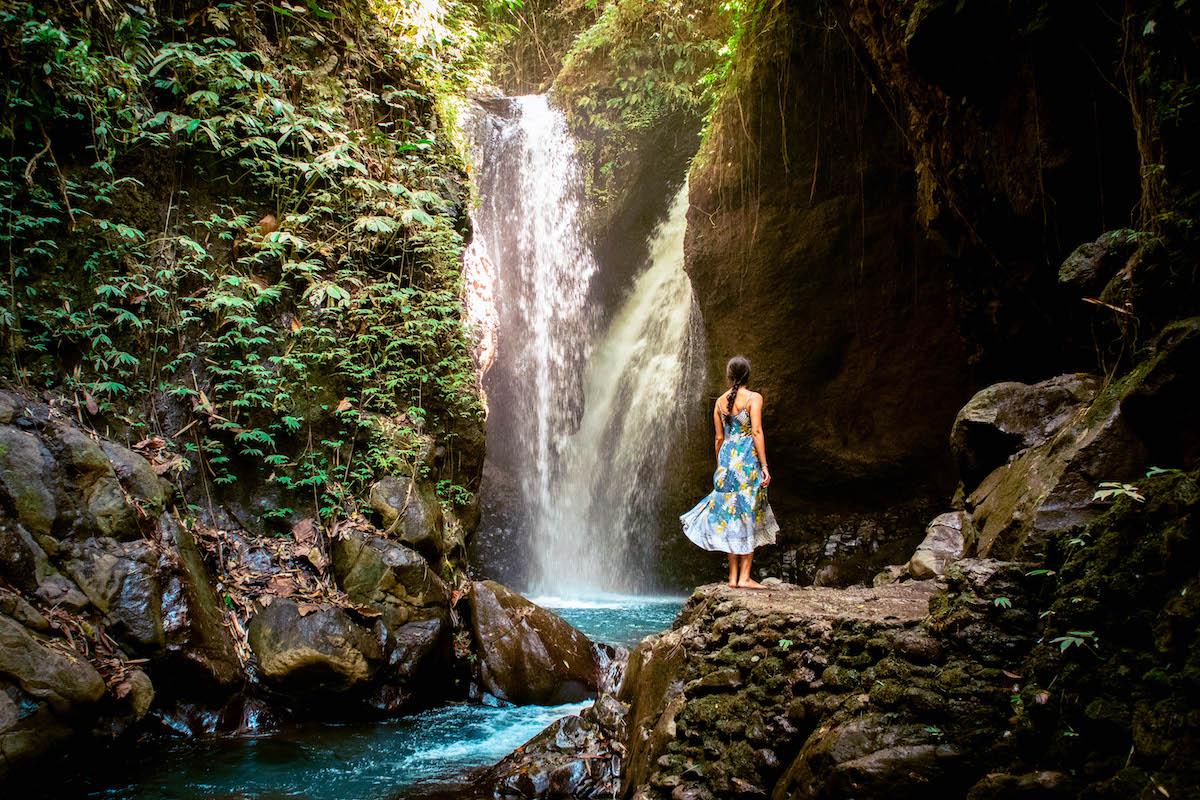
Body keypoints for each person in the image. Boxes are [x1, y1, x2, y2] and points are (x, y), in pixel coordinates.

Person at [680, 355, 780, 589]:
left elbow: (718, 438)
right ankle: (745, 577)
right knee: (749, 513)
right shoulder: (754, 398)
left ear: (729, 376)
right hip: (746, 460)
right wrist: (764, 466)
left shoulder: (719, 403)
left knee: (730, 515)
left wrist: (721, 466)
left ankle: (733, 578)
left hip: (727, 461)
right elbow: (756, 432)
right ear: (748, 375)